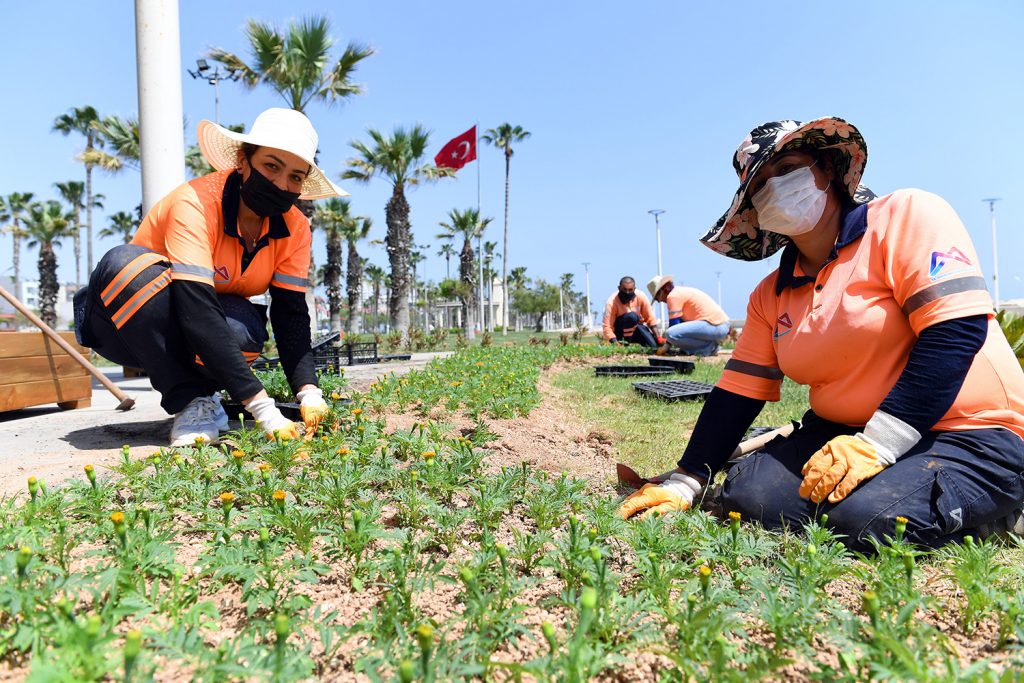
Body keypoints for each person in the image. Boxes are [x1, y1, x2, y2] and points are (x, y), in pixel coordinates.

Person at [619, 117, 1024, 551]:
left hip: (968, 430)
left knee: (867, 520)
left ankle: (1003, 509)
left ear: (827, 168)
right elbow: (737, 394)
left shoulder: (904, 217)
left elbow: (955, 331)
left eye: (787, 168)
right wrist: (687, 479)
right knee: (748, 496)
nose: (775, 187)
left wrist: (879, 444)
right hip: (845, 431)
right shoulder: (771, 294)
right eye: (761, 184)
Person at [75, 108, 345, 446]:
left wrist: (309, 392)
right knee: (123, 264)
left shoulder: (295, 228)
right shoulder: (196, 204)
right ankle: (191, 400)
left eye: (295, 177)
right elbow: (196, 308)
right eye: (272, 166)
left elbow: (290, 314)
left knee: (244, 329)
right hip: (123, 328)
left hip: (197, 331)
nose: (281, 184)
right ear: (243, 161)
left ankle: (203, 399)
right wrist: (263, 408)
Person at [647, 274, 730, 356]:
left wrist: (665, 347)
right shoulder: (679, 292)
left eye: (657, 298)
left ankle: (707, 348)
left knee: (670, 334)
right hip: (719, 326)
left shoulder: (673, 296)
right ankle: (708, 347)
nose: (659, 301)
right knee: (675, 334)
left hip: (715, 326)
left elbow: (673, 327)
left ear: (661, 291)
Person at [601, 276, 660, 349]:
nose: (627, 293)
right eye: (624, 290)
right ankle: (625, 344)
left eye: (630, 290)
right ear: (619, 288)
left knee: (654, 347)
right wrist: (616, 344)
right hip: (620, 332)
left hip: (636, 328)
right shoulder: (611, 302)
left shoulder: (641, 296)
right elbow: (607, 327)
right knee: (631, 317)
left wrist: (658, 338)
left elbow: (650, 319)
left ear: (634, 289)